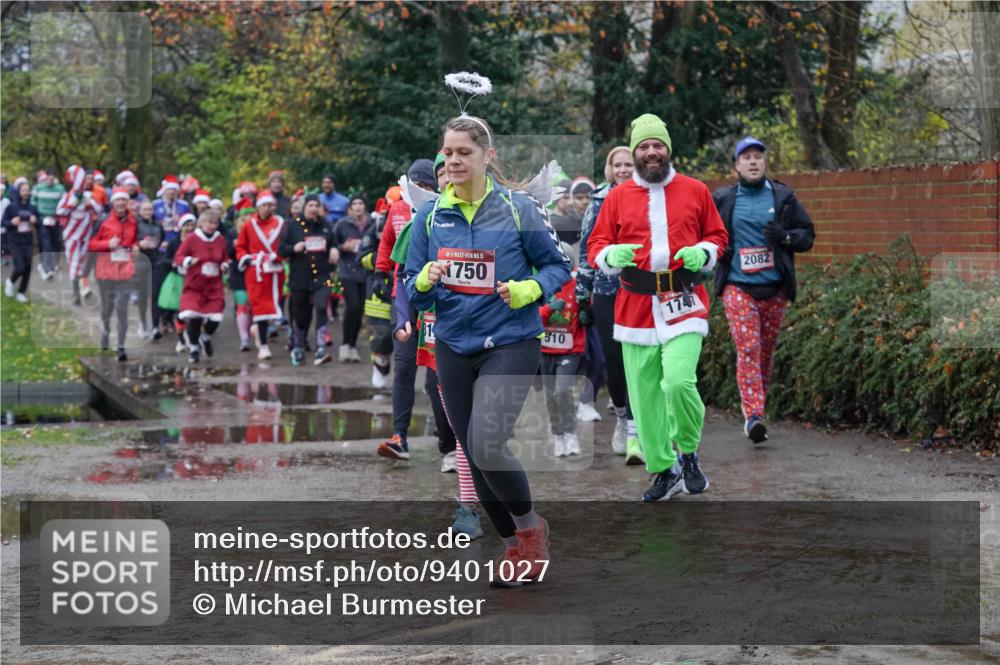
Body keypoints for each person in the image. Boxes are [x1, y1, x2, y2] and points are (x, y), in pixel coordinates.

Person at [405, 113, 569, 585]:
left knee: (486, 442)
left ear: (486, 156)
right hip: (454, 344)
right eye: (448, 153)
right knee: (471, 454)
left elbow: (558, 268)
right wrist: (423, 279)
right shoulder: (430, 216)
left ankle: (531, 531)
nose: (454, 161)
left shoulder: (519, 209)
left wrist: (528, 290)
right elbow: (410, 287)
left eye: (464, 152)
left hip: (512, 341)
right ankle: (515, 547)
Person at [588, 113, 728, 502]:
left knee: (678, 380)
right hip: (635, 306)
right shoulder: (616, 197)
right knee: (645, 396)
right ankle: (664, 470)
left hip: (684, 300)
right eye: (644, 147)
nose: (651, 152)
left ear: (668, 150)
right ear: (635, 154)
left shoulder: (696, 190)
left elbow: (717, 235)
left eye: (657, 145)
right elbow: (596, 246)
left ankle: (688, 453)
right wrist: (610, 254)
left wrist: (703, 252)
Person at [712, 137, 815, 443]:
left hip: (774, 288)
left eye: (758, 156)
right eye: (747, 158)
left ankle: (758, 409)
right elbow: (705, 234)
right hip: (737, 285)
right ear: (736, 165)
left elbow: (807, 236)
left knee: (765, 354)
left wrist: (784, 237)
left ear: (765, 162)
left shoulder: (782, 196)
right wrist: (721, 250)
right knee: (748, 347)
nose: (753, 162)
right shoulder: (724, 198)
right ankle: (753, 414)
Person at [577, 145, 641, 462]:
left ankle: (636, 426)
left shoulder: (650, 196)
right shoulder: (600, 200)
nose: (624, 170)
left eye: (628, 164)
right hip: (607, 290)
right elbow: (588, 247)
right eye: (618, 165)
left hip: (643, 290)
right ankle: (620, 416)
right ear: (609, 168)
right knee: (615, 362)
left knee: (641, 360)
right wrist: (581, 295)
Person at [374, 158, 439, 460]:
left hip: (435, 296)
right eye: (415, 185)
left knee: (436, 372)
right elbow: (387, 242)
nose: (419, 190)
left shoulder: (442, 210)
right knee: (404, 365)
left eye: (425, 186)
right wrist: (379, 270)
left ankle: (449, 442)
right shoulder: (398, 210)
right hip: (404, 295)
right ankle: (400, 436)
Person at [277, 194, 339, 366]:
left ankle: (321, 348)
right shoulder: (292, 225)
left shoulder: (325, 225)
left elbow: (334, 242)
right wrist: (293, 248)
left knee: (321, 307)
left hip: (323, 275)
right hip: (300, 277)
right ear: (304, 207)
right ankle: (298, 346)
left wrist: (334, 249)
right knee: (300, 314)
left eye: (316, 205)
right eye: (310, 205)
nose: (313, 209)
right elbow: (281, 249)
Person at [539, 242, 587, 457]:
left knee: (562, 390)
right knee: (551, 396)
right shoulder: (542, 282)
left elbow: (589, 309)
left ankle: (570, 433)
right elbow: (531, 315)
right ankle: (558, 434)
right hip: (545, 350)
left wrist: (589, 314)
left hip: (570, 349)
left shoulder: (578, 284)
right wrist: (548, 308)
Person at [88, 186, 139, 361]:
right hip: (105, 271)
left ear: (127, 203)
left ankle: (121, 346)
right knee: (108, 308)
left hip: (125, 271)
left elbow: (134, 241)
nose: (121, 203)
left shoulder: (133, 222)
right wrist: (107, 244)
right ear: (113, 202)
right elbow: (91, 244)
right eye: (118, 200)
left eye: (124, 200)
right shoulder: (103, 220)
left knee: (122, 308)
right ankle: (105, 331)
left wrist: (135, 247)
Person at [235, 191, 286, 360]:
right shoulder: (249, 225)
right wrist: (246, 258)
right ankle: (263, 346)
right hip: (256, 273)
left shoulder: (280, 223)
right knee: (260, 308)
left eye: (270, 205)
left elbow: (286, 245)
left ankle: (257, 329)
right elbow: (241, 247)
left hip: (275, 272)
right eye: (264, 205)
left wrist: (277, 256)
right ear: (258, 207)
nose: (267, 208)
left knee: (274, 305)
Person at [175, 210, 229, 363]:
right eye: (209, 223)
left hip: (214, 285)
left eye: (215, 223)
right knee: (195, 317)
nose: (212, 226)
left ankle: (205, 337)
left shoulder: (220, 239)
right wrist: (188, 261)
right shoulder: (192, 239)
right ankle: (193, 349)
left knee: (215, 318)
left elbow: (225, 256)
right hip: (195, 284)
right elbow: (179, 256)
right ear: (201, 223)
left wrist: (224, 265)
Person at [56, 165, 102, 305]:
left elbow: (98, 210)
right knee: (74, 264)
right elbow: (59, 212)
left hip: (85, 237)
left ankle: (81, 289)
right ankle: (76, 293)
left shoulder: (89, 195)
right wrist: (74, 202)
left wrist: (90, 204)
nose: (87, 182)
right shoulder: (67, 196)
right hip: (71, 237)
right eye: (84, 179)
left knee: (82, 265)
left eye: (90, 179)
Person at [332, 195, 370, 362]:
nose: (357, 206)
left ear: (365, 206)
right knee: (352, 306)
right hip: (347, 272)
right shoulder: (342, 224)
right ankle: (345, 345)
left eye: (360, 203)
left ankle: (352, 346)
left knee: (360, 309)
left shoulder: (373, 223)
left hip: (366, 271)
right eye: (354, 204)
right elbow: (332, 245)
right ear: (349, 208)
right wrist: (342, 247)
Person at [2, 180, 38, 302]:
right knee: (20, 267)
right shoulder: (11, 207)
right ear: (19, 191)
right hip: (14, 240)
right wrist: (12, 222)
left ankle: (21, 293)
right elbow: (3, 223)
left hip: (28, 241)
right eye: (23, 190)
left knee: (28, 267)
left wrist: (35, 220)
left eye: (28, 190)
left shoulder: (32, 207)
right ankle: (10, 282)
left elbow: (39, 224)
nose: (26, 193)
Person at [134, 199, 164, 338]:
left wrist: (163, 244)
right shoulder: (136, 224)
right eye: (145, 209)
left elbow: (162, 238)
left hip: (156, 261)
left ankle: (156, 326)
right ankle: (142, 324)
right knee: (142, 294)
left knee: (155, 294)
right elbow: (130, 242)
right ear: (140, 211)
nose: (148, 212)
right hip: (141, 261)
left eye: (150, 209)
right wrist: (139, 244)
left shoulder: (158, 224)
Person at [31, 170, 66, 280]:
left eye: (52, 179)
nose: (50, 181)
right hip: (42, 218)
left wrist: (60, 213)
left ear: (54, 179)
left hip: (55, 218)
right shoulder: (38, 187)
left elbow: (65, 201)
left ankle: (54, 263)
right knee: (46, 244)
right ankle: (47, 268)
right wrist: (35, 214)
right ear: (45, 178)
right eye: (48, 178)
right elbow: (33, 201)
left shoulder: (60, 188)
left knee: (56, 242)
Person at [153, 175, 191, 239]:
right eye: (169, 189)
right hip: (160, 235)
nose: (172, 191)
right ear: (164, 190)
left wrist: (180, 220)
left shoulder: (184, 205)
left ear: (177, 191)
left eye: (174, 189)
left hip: (177, 235)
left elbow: (189, 223)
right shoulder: (156, 204)